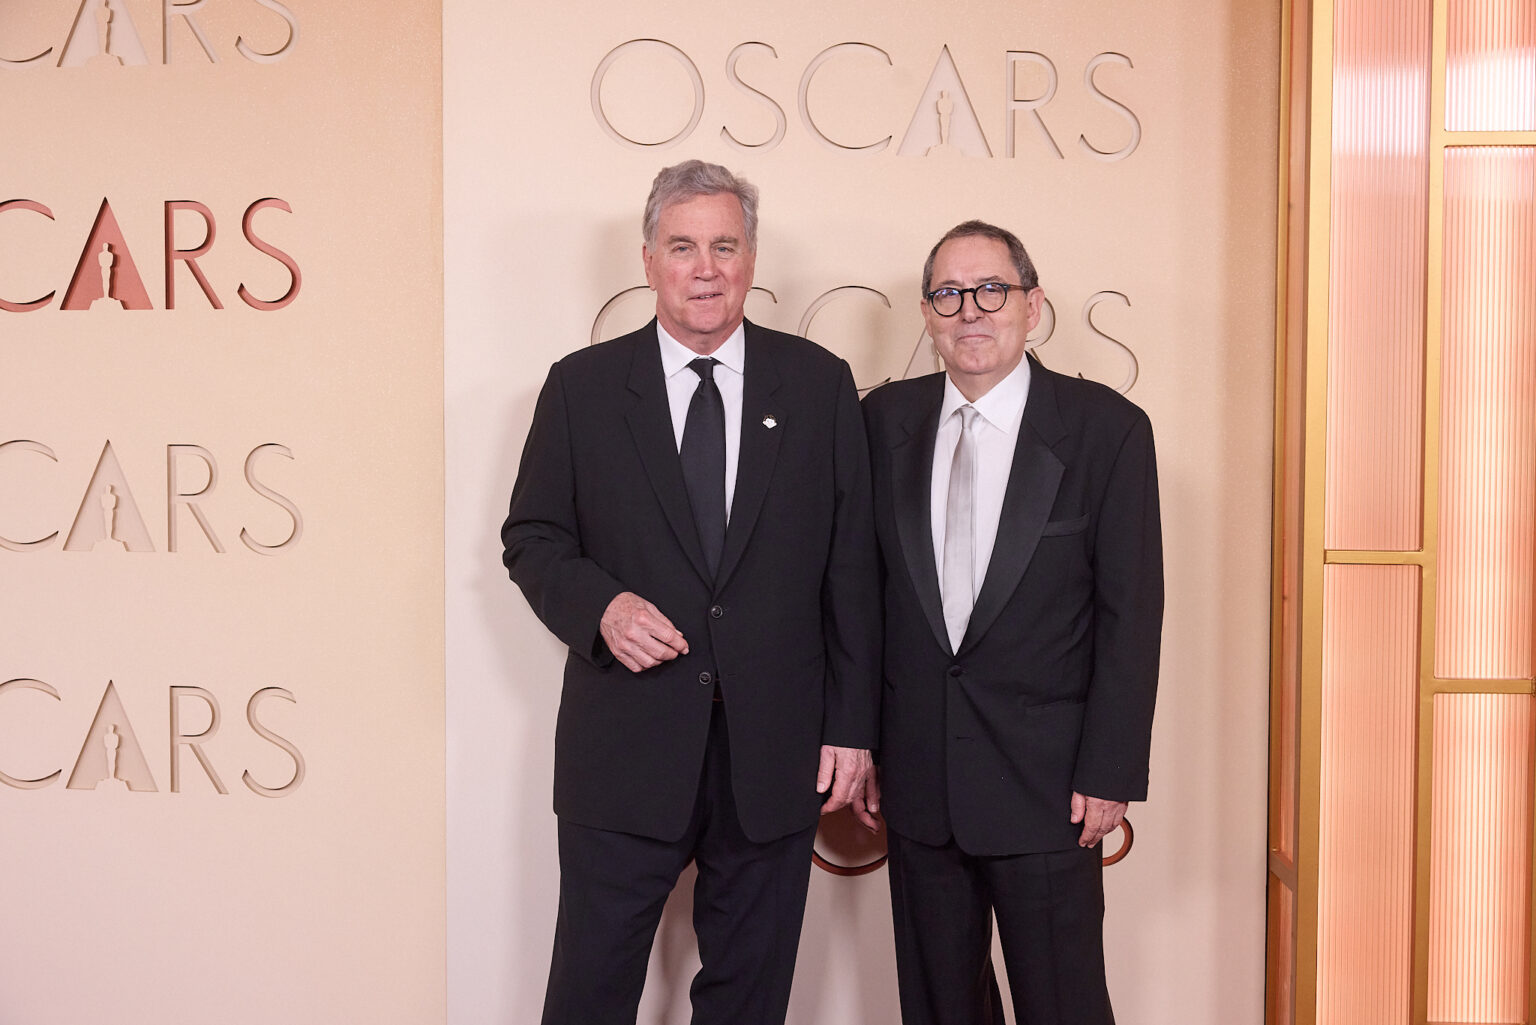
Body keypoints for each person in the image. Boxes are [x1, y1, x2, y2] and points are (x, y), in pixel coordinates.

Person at [501, 160, 880, 1025]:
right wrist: (600, 605)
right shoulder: (581, 388)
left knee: (748, 998)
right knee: (591, 991)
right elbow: (533, 538)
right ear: (648, 260)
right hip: (624, 751)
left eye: (723, 245)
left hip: (776, 754)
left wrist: (853, 727)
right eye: (683, 246)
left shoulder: (818, 387)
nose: (704, 267)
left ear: (751, 258)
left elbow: (852, 568)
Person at [861, 220, 1163, 1025]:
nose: (971, 311)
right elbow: (857, 599)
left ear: (1032, 305)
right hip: (920, 784)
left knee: (1063, 1005)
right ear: (927, 312)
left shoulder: (1107, 430)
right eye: (949, 294)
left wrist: (1111, 769)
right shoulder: (880, 423)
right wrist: (861, 739)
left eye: (991, 290)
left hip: (1050, 788)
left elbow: (1132, 612)